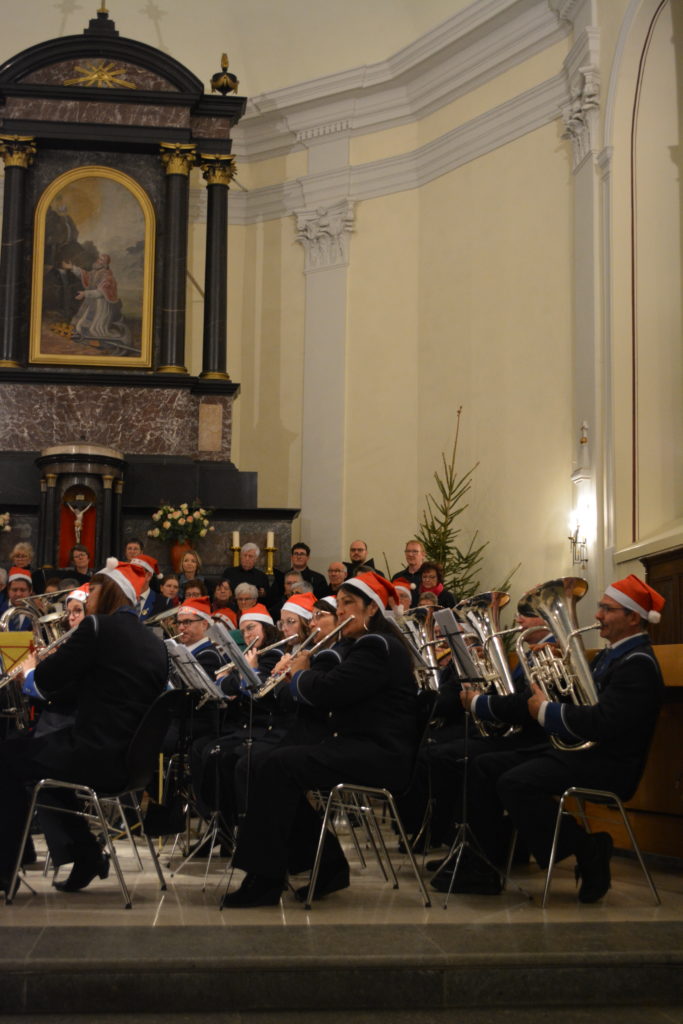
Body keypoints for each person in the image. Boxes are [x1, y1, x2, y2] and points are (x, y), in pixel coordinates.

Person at [445, 575, 665, 902]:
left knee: (516, 782)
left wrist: (545, 711)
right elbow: (583, 705)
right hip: (584, 753)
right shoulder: (611, 657)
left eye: (607, 609)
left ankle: (587, 848)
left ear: (633, 617)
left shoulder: (638, 664)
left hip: (609, 763)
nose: (598, 615)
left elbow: (604, 722)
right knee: (485, 766)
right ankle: (483, 863)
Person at [221, 571, 418, 908]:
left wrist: (300, 672)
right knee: (271, 764)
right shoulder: (365, 645)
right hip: (359, 744)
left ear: (372, 608)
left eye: (349, 603)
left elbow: (329, 690)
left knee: (278, 765)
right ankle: (324, 865)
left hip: (379, 753)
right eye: (339, 603)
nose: (340, 611)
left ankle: (266, 879)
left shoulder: (376, 646)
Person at [0, 559, 167, 895]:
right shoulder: (153, 642)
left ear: (110, 593)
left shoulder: (97, 627)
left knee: (7, 756)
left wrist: (30, 668)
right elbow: (97, 689)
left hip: (95, 755)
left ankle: (6, 868)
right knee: (41, 767)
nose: (88, 599)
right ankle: (86, 854)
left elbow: (43, 684)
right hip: (131, 762)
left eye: (93, 592)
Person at [392, 540, 427, 605]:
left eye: (415, 551)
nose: (410, 554)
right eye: (408, 551)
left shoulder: (429, 577)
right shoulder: (397, 577)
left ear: (423, 555)